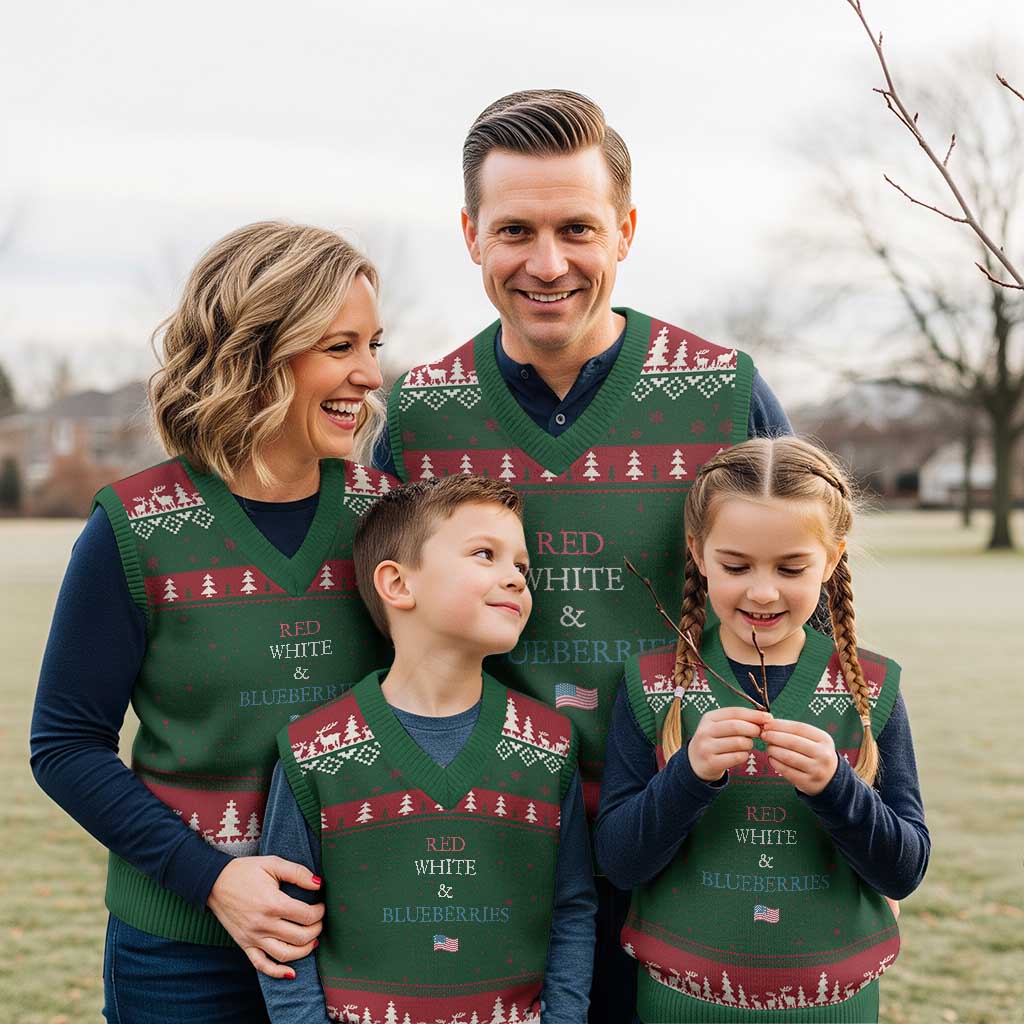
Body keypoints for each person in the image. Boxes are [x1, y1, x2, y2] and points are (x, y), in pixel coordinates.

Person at [373, 88, 792, 1022]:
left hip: (698, 825)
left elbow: (808, 609)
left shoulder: (723, 395)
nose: (548, 263)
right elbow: (386, 635)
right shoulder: (419, 417)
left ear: (627, 230)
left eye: (578, 228)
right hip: (501, 841)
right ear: (472, 234)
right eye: (515, 229)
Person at [30, 221, 400, 1023]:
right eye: (341, 347)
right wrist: (214, 879)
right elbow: (63, 745)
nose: (371, 375)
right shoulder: (131, 528)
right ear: (259, 354)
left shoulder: (389, 522)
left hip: (361, 942)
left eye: (374, 343)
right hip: (176, 954)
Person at [594, 437, 930, 1023]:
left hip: (835, 1008)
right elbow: (620, 863)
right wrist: (688, 777)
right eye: (736, 565)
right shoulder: (652, 686)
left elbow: (904, 869)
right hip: (679, 1006)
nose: (763, 591)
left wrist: (837, 786)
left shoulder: (870, 689)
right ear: (697, 553)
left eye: (791, 567)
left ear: (831, 560)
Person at [257, 474, 596, 1024]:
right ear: (397, 584)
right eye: (485, 554)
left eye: (522, 567)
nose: (514, 578)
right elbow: (286, 929)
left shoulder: (550, 744)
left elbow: (571, 908)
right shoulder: (312, 751)